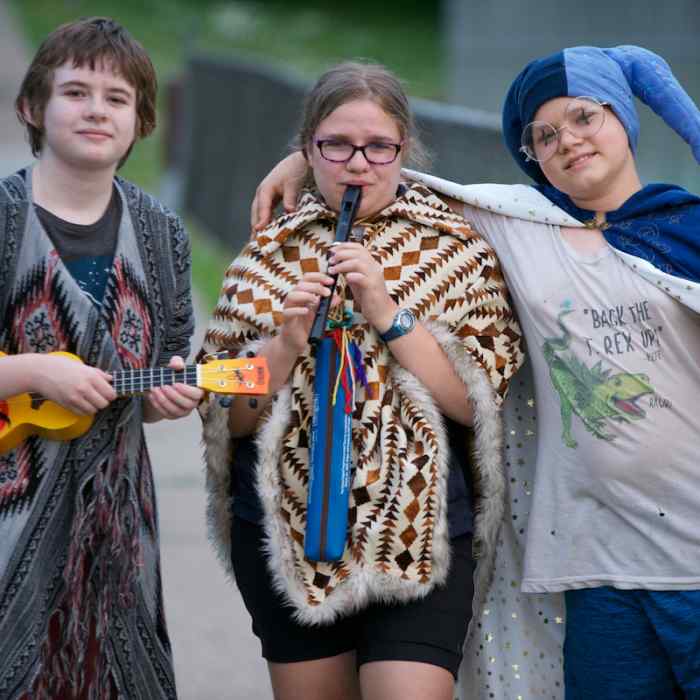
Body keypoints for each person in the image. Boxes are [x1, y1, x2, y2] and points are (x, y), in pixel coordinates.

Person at [251, 46, 700, 700]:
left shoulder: (687, 227)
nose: (568, 141)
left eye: (584, 118)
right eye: (544, 135)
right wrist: (307, 155)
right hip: (599, 570)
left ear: (624, 119)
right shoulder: (520, 226)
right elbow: (385, 173)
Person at [198, 61, 524, 700]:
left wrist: (388, 315)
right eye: (337, 145)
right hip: (290, 537)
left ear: (406, 149)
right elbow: (224, 414)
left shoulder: (455, 246)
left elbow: (474, 402)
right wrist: (287, 344)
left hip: (420, 534)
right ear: (306, 152)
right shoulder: (268, 251)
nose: (358, 164)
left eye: (379, 147)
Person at [0, 18, 202, 699]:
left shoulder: (161, 234)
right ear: (33, 107)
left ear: (141, 119)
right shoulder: (1, 218)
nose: (96, 110)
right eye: (75, 91)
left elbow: (155, 381)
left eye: (116, 98)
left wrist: (167, 399)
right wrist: (31, 371)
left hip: (118, 528)